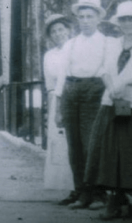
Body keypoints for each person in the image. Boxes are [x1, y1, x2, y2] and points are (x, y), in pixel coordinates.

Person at [85, 1, 132, 221]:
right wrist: (112, 87)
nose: (127, 23)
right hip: (113, 102)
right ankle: (115, 199)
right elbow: (104, 69)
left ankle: (129, 198)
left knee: (130, 149)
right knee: (110, 150)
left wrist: (123, 83)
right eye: (123, 19)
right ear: (119, 23)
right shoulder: (113, 44)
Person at [55, 0, 108, 209]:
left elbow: (109, 72)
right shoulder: (71, 43)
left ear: (98, 19)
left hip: (94, 92)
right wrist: (59, 107)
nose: (85, 20)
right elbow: (61, 74)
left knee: (91, 144)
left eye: (89, 16)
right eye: (82, 16)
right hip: (71, 91)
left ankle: (97, 194)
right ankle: (81, 192)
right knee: (74, 145)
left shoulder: (107, 43)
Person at [43, 14, 74, 192]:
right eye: (53, 31)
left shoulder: (76, 48)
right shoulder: (49, 55)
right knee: (59, 144)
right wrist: (51, 111)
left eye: (61, 29)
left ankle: (80, 188)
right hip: (57, 101)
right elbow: (49, 84)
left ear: (68, 30)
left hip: (74, 96)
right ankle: (66, 187)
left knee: (75, 143)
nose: (58, 34)